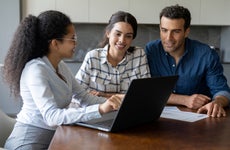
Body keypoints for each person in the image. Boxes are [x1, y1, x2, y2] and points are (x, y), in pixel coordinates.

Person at [2, 10, 123, 149]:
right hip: (28, 142)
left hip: (55, 138)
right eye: (72, 39)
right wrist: (100, 109)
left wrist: (117, 106)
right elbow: (52, 117)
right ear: (55, 43)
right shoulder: (36, 70)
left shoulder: (60, 65)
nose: (76, 43)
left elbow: (84, 97)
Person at [145, 4, 230, 118]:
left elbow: (222, 91)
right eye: (164, 30)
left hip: (199, 117)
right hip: (160, 119)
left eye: (176, 32)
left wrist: (217, 103)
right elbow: (148, 91)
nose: (168, 38)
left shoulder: (206, 54)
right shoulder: (151, 50)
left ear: (186, 32)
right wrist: (184, 100)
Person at [75, 11, 150, 98]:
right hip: (99, 110)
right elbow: (77, 93)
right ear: (108, 33)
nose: (122, 40)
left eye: (128, 36)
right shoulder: (92, 57)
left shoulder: (139, 55)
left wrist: (105, 95)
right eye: (118, 34)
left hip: (129, 110)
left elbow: (145, 94)